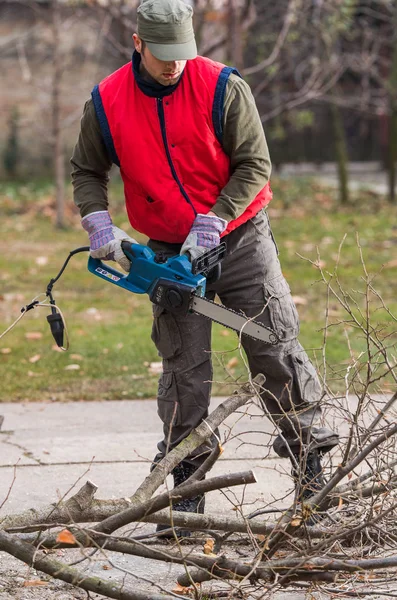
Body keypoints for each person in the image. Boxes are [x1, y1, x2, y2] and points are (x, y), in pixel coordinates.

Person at [71, 0, 339, 533]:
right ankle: (187, 479)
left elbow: (255, 163)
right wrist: (98, 223)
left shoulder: (222, 87)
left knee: (273, 343)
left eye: (182, 54)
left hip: (238, 237)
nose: (174, 66)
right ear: (138, 42)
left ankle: (312, 466)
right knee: (183, 369)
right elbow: (86, 168)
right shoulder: (106, 101)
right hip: (168, 250)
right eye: (162, 55)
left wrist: (215, 220)